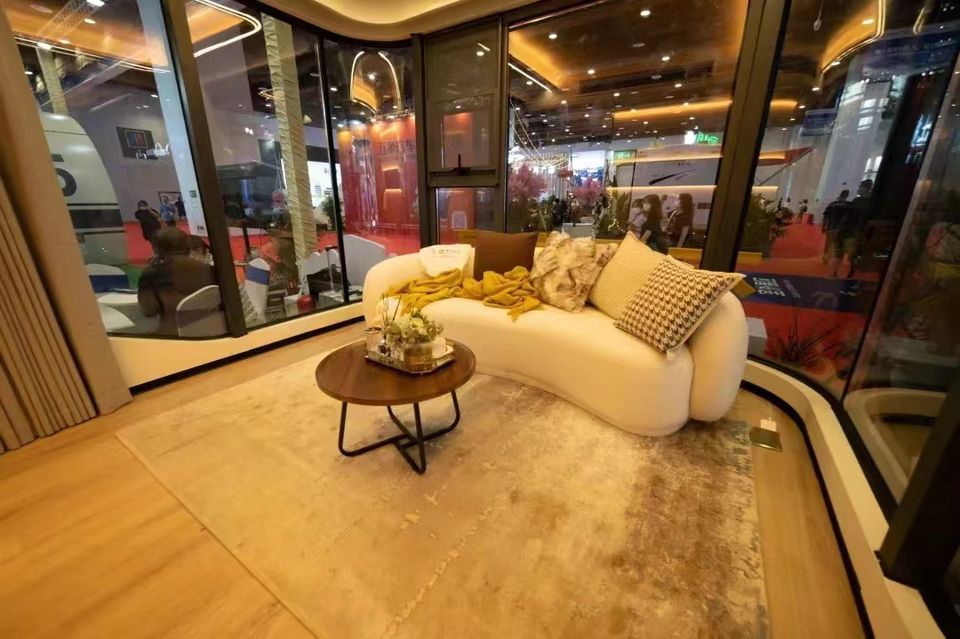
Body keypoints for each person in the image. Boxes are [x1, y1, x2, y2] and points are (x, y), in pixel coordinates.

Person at [138, 227, 218, 336]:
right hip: (211, 334)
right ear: (187, 245)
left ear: (156, 249)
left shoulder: (151, 274)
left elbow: (149, 311)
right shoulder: (212, 270)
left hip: (174, 337)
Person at [821, 189, 849, 265]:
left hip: (831, 226)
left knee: (828, 242)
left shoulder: (832, 204)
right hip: (839, 227)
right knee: (836, 243)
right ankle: (830, 257)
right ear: (846, 196)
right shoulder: (847, 206)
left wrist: (824, 225)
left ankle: (825, 256)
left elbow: (826, 215)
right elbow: (846, 217)